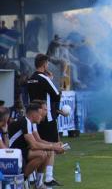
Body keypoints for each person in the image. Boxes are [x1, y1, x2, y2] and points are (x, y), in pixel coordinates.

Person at [27, 54, 66, 186]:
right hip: (46, 117)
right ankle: (48, 177)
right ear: (45, 64)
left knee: (37, 146)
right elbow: (56, 95)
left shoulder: (30, 79)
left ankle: (34, 178)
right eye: (47, 63)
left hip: (33, 118)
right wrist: (51, 79)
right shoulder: (44, 78)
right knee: (50, 146)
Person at [8, 103, 64, 189]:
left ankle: (38, 183)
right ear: (33, 114)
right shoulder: (25, 121)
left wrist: (52, 146)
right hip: (14, 152)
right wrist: (53, 147)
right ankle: (21, 181)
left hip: (20, 150)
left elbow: (35, 142)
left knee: (46, 152)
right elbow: (34, 145)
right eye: (40, 114)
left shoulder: (27, 122)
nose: (41, 117)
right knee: (41, 154)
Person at [31, 100, 64, 186]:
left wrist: (54, 145)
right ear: (39, 110)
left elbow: (38, 140)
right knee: (45, 152)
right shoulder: (29, 121)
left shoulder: (35, 122)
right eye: (45, 109)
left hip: (29, 148)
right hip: (23, 150)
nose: (47, 112)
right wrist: (53, 146)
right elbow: (36, 141)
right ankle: (32, 178)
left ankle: (44, 180)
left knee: (49, 150)